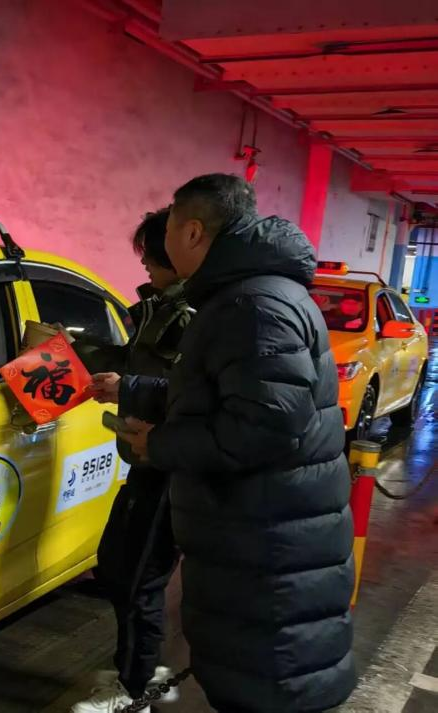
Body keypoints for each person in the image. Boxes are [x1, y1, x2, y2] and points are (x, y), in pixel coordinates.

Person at [92, 174, 355, 712]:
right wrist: (137, 392)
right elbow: (226, 395)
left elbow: (265, 426)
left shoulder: (253, 306)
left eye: (168, 225)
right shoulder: (250, 296)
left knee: (264, 685)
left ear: (192, 231)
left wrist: (160, 447)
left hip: (266, 547)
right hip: (260, 540)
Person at [73, 209, 192, 713]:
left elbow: (196, 391)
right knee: (119, 567)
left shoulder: (196, 315)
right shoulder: (156, 309)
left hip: (170, 465)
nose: (143, 264)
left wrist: (131, 388)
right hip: (145, 460)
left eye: (150, 255)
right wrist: (73, 347)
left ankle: (132, 689)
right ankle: (137, 671)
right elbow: (130, 360)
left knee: (139, 578)